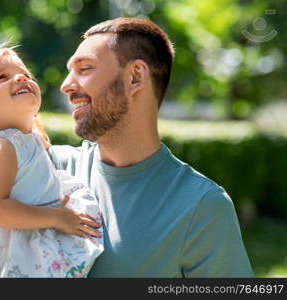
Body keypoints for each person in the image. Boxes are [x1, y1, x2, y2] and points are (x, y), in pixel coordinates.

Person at [48, 18, 254, 277]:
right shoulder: (51, 167)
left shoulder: (201, 206)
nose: (66, 85)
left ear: (135, 77)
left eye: (85, 68)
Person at [0, 45, 103, 278]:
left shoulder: (29, 139)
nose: (20, 77)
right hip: (15, 251)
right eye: (2, 77)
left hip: (34, 240)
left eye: (25, 74)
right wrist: (57, 217)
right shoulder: (2, 146)